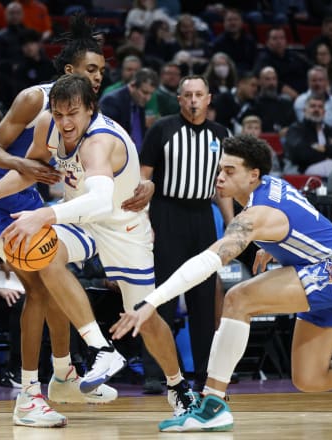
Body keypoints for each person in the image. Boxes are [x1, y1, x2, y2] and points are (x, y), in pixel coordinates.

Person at [110, 134, 332, 432]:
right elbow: (304, 220)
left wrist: (151, 301)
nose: (220, 177)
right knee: (310, 378)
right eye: (220, 169)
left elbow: (209, 261)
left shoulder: (255, 216)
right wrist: (277, 249)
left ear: (253, 175)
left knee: (239, 299)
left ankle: (212, 403)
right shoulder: (271, 185)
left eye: (229, 170)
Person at [0, 74, 197, 424]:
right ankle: (99, 348)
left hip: (121, 227)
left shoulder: (100, 142)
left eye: (73, 114)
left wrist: (43, 215)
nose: (65, 122)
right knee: (44, 256)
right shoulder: (48, 126)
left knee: (145, 315)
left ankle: (178, 387)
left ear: (90, 110)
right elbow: (32, 172)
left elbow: (99, 200)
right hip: (79, 220)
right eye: (59, 112)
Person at [0, 15, 120, 428]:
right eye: (91, 69)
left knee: (52, 279)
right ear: (69, 71)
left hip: (26, 195)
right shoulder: (34, 99)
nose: (98, 77)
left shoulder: (87, 113)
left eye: (101, 71)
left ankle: (61, 375)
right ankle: (29, 394)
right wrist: (28, 166)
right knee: (39, 290)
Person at [133, 74, 231, 394]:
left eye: (198, 95)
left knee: (203, 298)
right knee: (161, 295)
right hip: (166, 213)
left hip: (203, 217)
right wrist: (144, 224)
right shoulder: (162, 129)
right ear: (179, 99)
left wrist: (230, 225)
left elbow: (223, 186)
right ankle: (155, 372)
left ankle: (204, 373)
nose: (192, 100)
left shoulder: (220, 134)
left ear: (208, 98)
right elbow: (142, 180)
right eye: (187, 94)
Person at [99, 68, 158, 151]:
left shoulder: (139, 101)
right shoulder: (111, 101)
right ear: (133, 85)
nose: (148, 98)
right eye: (145, 92)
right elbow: (105, 135)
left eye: (151, 94)